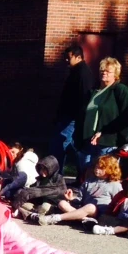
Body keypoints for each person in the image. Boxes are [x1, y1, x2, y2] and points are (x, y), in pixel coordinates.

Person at [75, 57, 128, 180]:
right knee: (87, 174)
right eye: (102, 70)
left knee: (105, 175)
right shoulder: (93, 91)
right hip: (88, 141)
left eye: (108, 71)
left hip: (108, 142)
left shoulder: (120, 90)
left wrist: (124, 141)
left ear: (116, 74)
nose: (104, 73)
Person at [37, 154, 122, 226]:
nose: (97, 169)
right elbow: (80, 199)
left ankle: (57, 217)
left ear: (111, 170)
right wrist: (71, 199)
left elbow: (119, 203)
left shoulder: (115, 184)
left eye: (101, 168)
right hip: (83, 209)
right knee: (62, 203)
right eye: (96, 166)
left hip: (99, 213)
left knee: (90, 207)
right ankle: (85, 220)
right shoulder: (89, 181)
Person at [49, 45, 95, 174]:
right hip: (68, 116)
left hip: (72, 117)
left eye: (68, 58)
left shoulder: (82, 74)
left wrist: (79, 117)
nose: (66, 60)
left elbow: (84, 97)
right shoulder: (76, 72)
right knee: (70, 146)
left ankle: (57, 176)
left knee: (60, 145)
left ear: (78, 57)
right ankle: (81, 174)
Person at [88, 172, 128, 236]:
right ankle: (125, 231)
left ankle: (111, 230)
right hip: (120, 220)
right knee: (102, 218)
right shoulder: (122, 195)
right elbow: (111, 207)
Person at [0, 142, 39, 207]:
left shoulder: (26, 158)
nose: (14, 155)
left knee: (22, 175)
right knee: (8, 193)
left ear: (21, 150)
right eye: (12, 152)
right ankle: (3, 192)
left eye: (16, 153)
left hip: (26, 182)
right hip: (17, 186)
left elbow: (28, 176)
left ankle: (1, 192)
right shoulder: (11, 162)